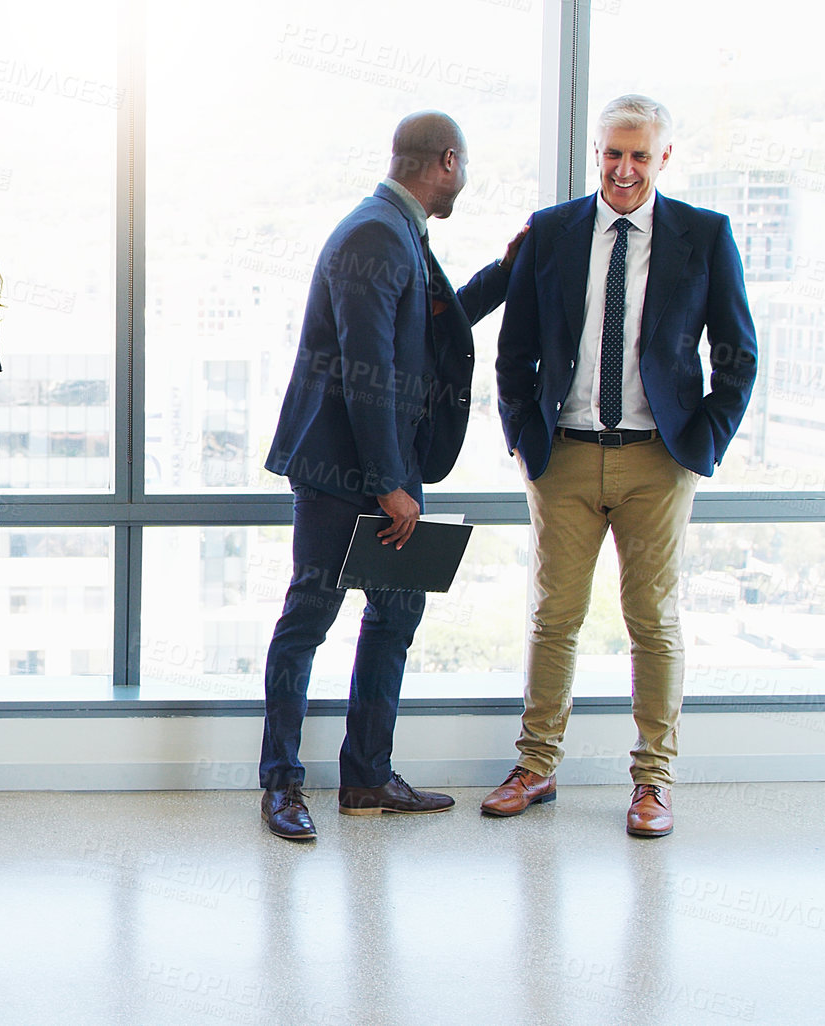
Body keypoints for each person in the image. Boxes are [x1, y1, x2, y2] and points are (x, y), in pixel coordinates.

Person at [483, 95, 757, 838]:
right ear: (595, 153)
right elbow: (514, 352)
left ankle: (652, 783)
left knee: (653, 622)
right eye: (612, 152)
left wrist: (699, 448)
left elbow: (737, 356)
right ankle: (535, 766)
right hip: (564, 456)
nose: (624, 168)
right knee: (553, 617)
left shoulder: (703, 235)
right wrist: (521, 439)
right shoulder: (552, 232)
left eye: (639, 154)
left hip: (656, 461)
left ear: (663, 157)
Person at [258, 111, 520, 842]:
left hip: (386, 468)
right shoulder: (374, 231)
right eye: (462, 167)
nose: (462, 179)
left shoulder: (400, 231)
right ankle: (280, 785)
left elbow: (428, 332)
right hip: (342, 472)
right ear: (445, 160)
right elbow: (364, 367)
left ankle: (367, 776)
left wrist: (503, 273)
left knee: (395, 614)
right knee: (307, 621)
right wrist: (386, 485)